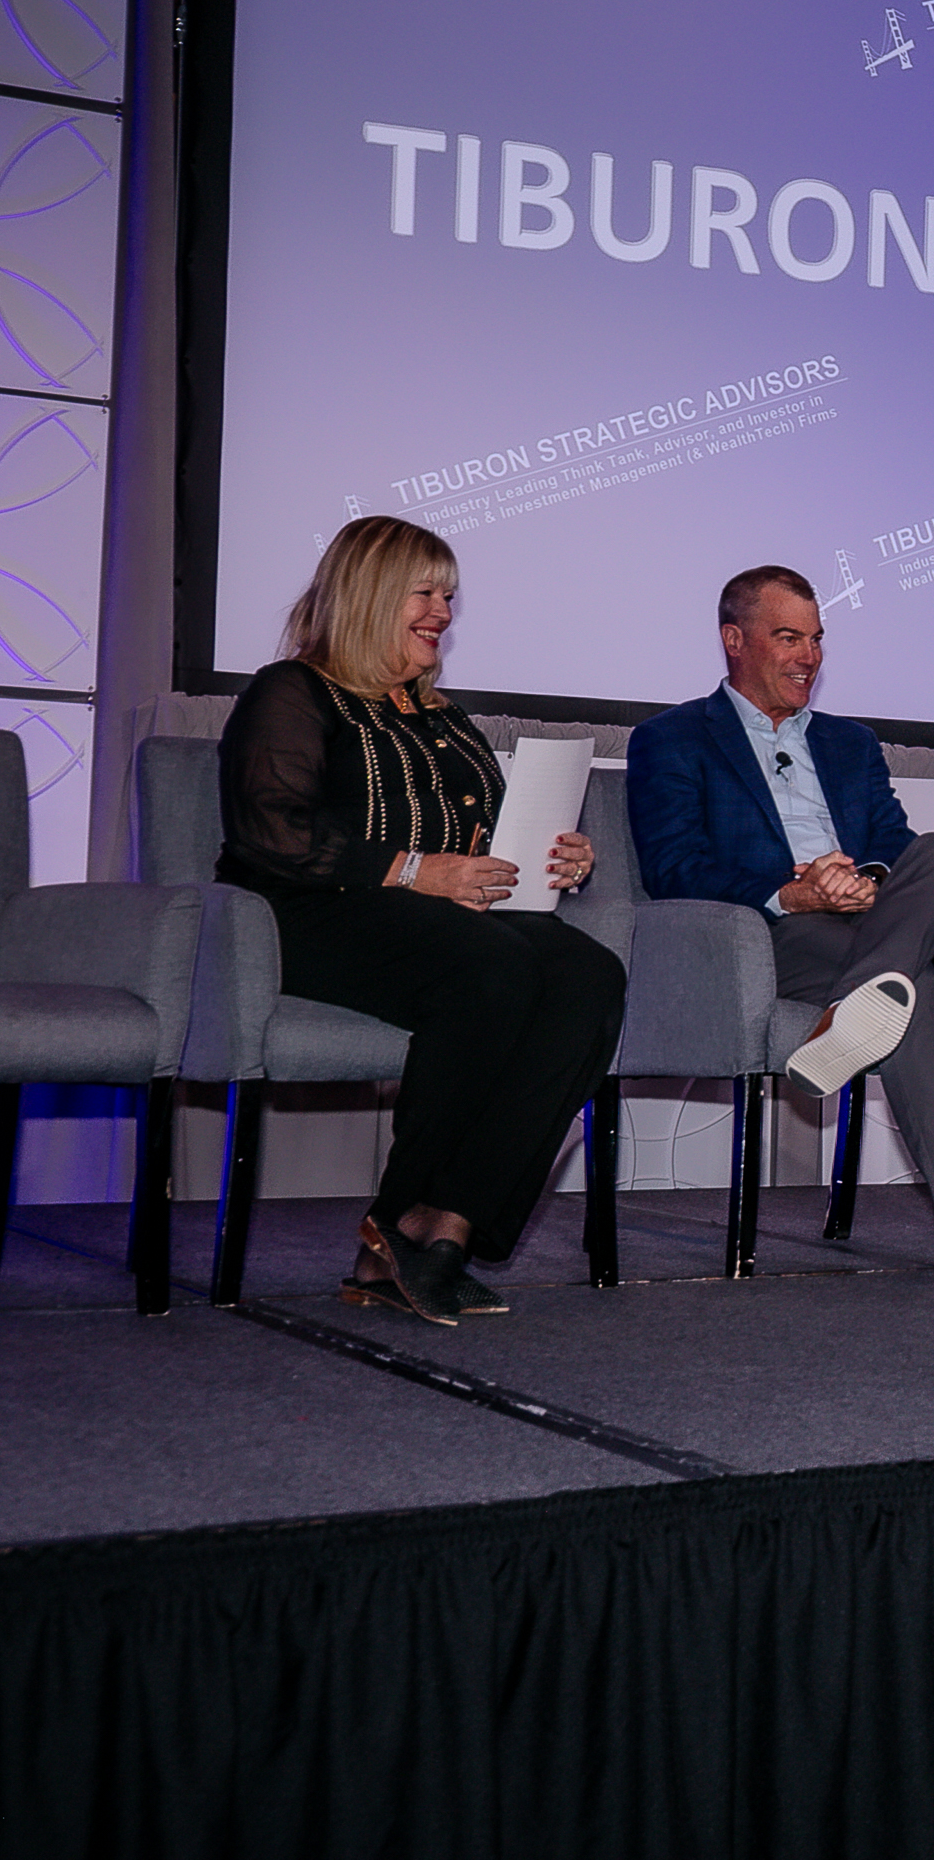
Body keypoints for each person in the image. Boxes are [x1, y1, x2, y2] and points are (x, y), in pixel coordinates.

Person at [625, 565, 934, 1294]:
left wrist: (865, 880)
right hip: (768, 938)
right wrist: (794, 893)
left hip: (868, 924)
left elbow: (894, 846)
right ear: (734, 640)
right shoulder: (673, 738)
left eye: (817, 639)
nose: (808, 656)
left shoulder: (850, 742)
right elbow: (674, 868)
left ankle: (855, 1008)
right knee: (907, 994)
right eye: (789, 638)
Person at [216, 515, 626, 1325]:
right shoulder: (292, 691)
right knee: (488, 966)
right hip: (306, 913)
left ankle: (450, 1225)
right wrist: (411, 870)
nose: (442, 611)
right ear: (368, 595)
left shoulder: (442, 716)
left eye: (449, 596)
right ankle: (401, 1215)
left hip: (434, 916)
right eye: (425, 593)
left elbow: (483, 839)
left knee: (589, 974)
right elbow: (270, 830)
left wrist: (556, 855)